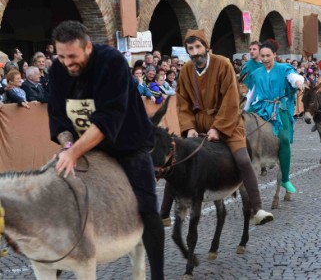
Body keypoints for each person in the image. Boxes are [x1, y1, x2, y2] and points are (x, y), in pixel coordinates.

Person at [47, 20, 164, 280]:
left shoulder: (111, 62)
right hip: (80, 145)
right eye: (62, 56)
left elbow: (108, 120)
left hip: (127, 143)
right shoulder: (57, 70)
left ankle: (158, 275)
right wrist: (68, 147)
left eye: (73, 56)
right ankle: (53, 265)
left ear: (88, 47)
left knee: (147, 207)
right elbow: (57, 117)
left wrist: (75, 151)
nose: (67, 63)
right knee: (59, 202)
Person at [175, 29, 274, 225]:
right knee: (177, 159)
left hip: (228, 123)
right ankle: (165, 213)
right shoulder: (186, 70)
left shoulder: (223, 64)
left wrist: (218, 128)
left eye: (198, 47)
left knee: (243, 160)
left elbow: (231, 99)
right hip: (197, 124)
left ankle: (257, 208)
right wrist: (188, 128)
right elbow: (182, 102)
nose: (195, 52)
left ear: (206, 47)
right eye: (190, 48)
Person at [243, 39, 304, 193]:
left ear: (274, 55)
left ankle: (285, 179)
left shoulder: (284, 68)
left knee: (284, 138)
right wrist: (244, 111)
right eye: (262, 56)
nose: (264, 59)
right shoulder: (256, 73)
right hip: (261, 107)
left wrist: (298, 82)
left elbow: (294, 77)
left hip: (280, 108)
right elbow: (251, 94)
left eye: (267, 56)